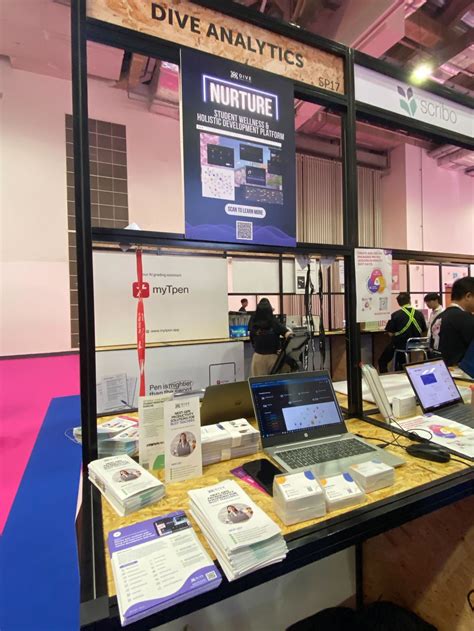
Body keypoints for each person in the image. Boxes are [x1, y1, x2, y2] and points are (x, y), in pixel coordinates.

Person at [378, 292, 427, 373]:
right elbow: (424, 330)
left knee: (382, 360)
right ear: (409, 301)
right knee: (400, 354)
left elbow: (390, 333)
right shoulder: (419, 314)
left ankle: (387, 376)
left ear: (398, 303)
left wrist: (395, 334)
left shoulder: (396, 315)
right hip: (416, 344)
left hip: (401, 344)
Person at [249, 298, 292, 377]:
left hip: (258, 358)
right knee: (275, 381)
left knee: (259, 382)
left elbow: (252, 338)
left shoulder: (254, 321)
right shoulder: (273, 321)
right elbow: (286, 333)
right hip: (273, 358)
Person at [437, 276, 474, 366]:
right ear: (468, 296)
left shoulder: (439, 317)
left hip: (442, 368)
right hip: (460, 370)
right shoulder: (464, 318)